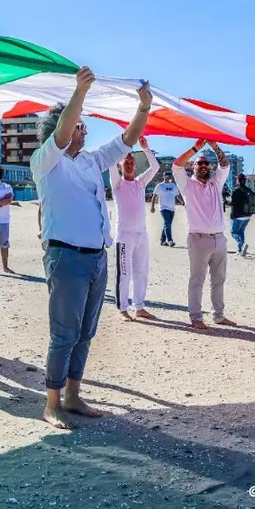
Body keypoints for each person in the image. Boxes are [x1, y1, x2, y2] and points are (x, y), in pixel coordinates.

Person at [31, 67, 152, 430]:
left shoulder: (90, 160)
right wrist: (79, 92)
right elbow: (62, 132)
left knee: (85, 332)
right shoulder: (45, 161)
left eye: (83, 127)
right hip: (65, 257)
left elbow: (126, 142)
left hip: (96, 258)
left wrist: (143, 108)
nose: (83, 131)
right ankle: (52, 403)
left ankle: (73, 395)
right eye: (80, 126)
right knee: (63, 333)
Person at [173, 139, 237, 330]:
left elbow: (225, 164)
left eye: (205, 163)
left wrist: (215, 147)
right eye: (199, 163)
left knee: (219, 280)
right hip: (198, 239)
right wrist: (196, 148)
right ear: (193, 167)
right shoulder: (187, 185)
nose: (202, 166)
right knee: (197, 280)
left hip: (219, 238)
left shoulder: (216, 182)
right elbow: (177, 165)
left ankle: (219, 315)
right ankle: (196, 317)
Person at [109, 137, 160, 321]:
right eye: (126, 162)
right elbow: (111, 164)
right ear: (121, 165)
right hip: (124, 235)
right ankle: (122, 308)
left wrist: (146, 148)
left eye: (132, 162)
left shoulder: (140, 182)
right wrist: (122, 147)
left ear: (135, 165)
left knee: (141, 271)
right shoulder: (117, 183)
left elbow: (155, 167)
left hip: (141, 234)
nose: (129, 165)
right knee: (124, 272)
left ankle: (139, 306)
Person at [150, 170, 182, 246]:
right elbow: (154, 196)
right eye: (166, 175)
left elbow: (177, 195)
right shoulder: (160, 186)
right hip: (163, 208)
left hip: (172, 209)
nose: (168, 176)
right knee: (167, 223)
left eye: (169, 175)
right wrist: (152, 207)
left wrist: (182, 202)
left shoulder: (173, 186)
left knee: (167, 224)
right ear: (163, 176)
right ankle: (169, 240)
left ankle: (162, 240)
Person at [230, 173, 255, 256]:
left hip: (238, 216)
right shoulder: (249, 190)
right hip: (248, 215)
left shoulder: (236, 190)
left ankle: (242, 245)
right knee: (241, 231)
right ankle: (240, 250)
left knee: (233, 232)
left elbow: (233, 203)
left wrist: (226, 202)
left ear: (238, 180)